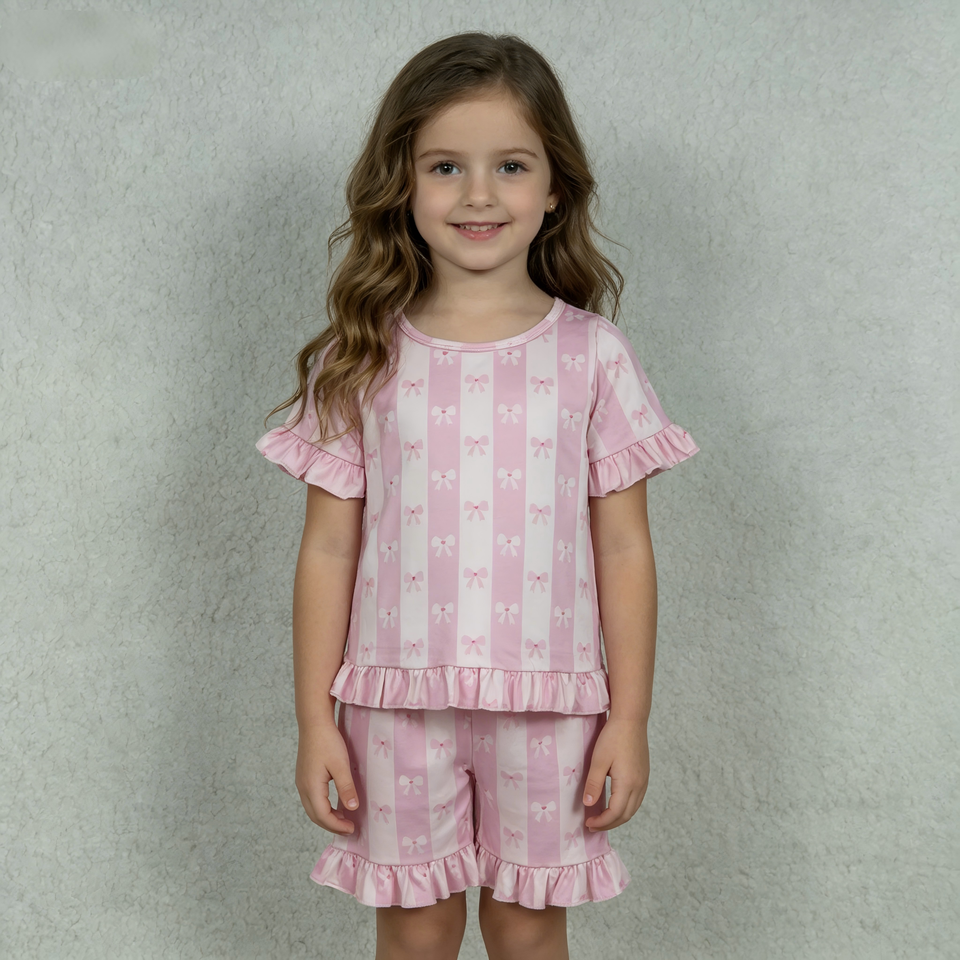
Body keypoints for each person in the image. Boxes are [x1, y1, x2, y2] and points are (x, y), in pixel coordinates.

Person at [256, 32, 699, 960]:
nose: (479, 194)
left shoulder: (592, 356)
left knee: (526, 929)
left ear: (555, 187)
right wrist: (313, 722)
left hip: (552, 705)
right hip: (393, 703)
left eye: (511, 165)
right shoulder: (359, 357)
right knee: (416, 932)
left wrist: (629, 719)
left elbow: (624, 547)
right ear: (404, 183)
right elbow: (329, 549)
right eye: (446, 166)